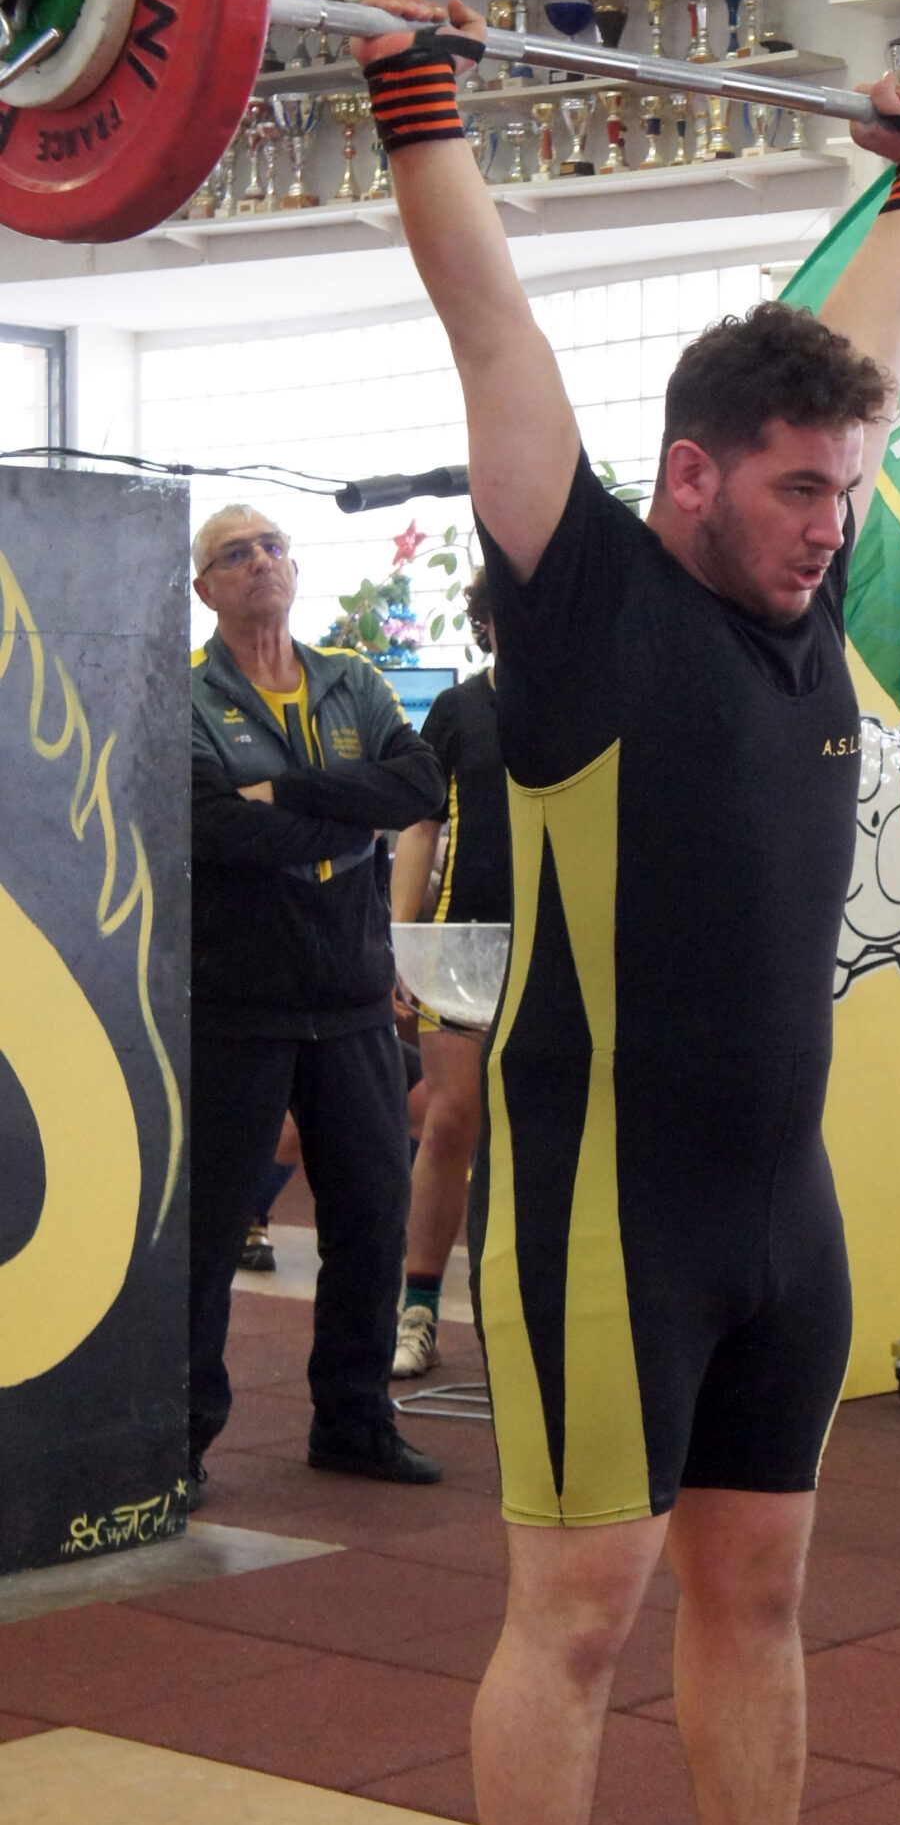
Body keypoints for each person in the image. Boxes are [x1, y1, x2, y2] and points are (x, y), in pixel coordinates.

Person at [354, 0, 900, 1825]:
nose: (830, 524)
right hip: (603, 1210)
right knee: (577, 1613)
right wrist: (419, 104)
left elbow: (878, 320)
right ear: (687, 476)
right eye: (798, 489)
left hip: (777, 1214)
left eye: (848, 488)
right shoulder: (589, 601)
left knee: (759, 1588)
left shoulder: (807, 574)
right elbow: (491, 321)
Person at [189, 504, 447, 1498]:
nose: (261, 561)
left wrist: (286, 795)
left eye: (273, 546)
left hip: (350, 1001)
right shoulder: (187, 696)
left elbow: (417, 784)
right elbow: (212, 830)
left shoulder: (352, 679)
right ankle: (180, 1438)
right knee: (207, 1232)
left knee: (372, 1218)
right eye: (236, 553)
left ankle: (353, 1422)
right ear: (205, 588)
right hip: (236, 1001)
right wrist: (348, 814)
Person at [390, 568, 509, 1379]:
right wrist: (403, 940)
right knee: (451, 1119)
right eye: (508, 611)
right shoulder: (458, 709)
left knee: (549, 1134)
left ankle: (528, 1315)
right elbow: (421, 827)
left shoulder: (590, 704)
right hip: (464, 946)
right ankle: (418, 1309)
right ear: (486, 622)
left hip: (561, 948)